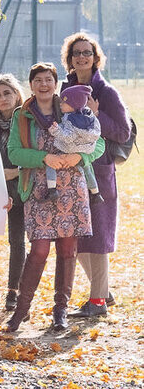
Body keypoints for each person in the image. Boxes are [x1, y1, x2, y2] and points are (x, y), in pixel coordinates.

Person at [6, 62, 105, 332]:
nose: (44, 85)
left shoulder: (72, 107)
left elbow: (99, 142)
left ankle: (60, 310)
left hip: (72, 187)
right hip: (40, 188)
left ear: (55, 82)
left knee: (67, 250)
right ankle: (20, 311)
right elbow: (14, 153)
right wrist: (43, 157)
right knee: (38, 250)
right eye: (38, 80)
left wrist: (80, 156)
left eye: (48, 79)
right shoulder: (22, 115)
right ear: (31, 84)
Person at [59, 32, 131, 318]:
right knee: (77, 236)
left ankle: (97, 301)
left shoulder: (107, 92)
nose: (82, 57)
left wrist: (96, 114)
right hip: (69, 172)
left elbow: (123, 132)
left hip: (98, 173)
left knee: (98, 236)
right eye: (76, 52)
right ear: (70, 58)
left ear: (95, 57)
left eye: (87, 52)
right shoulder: (64, 89)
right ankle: (103, 290)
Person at [0, 73, 25, 311]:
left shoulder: (27, 120)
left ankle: (14, 290)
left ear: (16, 94)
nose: (3, 98)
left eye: (7, 93)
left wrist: (16, 172)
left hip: (22, 188)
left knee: (18, 241)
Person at [46, 86, 101, 201]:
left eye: (64, 102)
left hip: (70, 148)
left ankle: (51, 189)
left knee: (51, 163)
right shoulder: (89, 115)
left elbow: (68, 137)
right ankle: (96, 193)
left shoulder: (72, 119)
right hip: (85, 148)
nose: (60, 104)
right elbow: (96, 133)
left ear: (74, 104)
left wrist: (55, 130)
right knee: (87, 168)